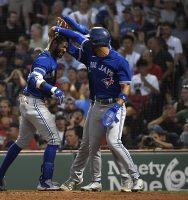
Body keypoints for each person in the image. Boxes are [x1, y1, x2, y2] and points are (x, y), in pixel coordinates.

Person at [51, 16, 144, 192]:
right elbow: (78, 39)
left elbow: (126, 91)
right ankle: (96, 181)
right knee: (92, 146)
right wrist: (59, 33)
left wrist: (116, 108)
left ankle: (136, 178)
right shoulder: (91, 49)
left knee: (113, 142)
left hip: (114, 105)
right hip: (96, 105)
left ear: (99, 44)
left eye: (92, 41)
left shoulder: (119, 61)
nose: (88, 42)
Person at [0, 34, 68, 191]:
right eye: (63, 46)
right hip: (33, 101)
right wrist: (53, 89)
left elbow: (51, 45)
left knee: (22, 142)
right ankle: (45, 182)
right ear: (55, 44)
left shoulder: (49, 56)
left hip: (27, 101)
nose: (65, 49)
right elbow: (34, 79)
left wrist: (58, 32)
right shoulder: (45, 59)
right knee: (53, 139)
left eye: (66, 46)